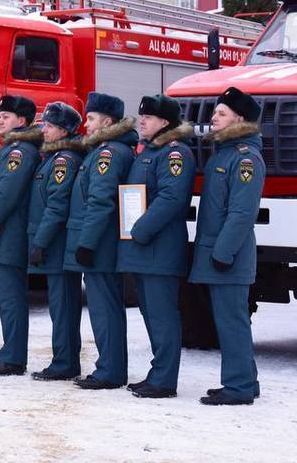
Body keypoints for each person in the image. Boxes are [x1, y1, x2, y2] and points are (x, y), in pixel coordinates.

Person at [119, 94, 195, 399]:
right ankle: (157, 373)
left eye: (148, 117)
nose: (142, 122)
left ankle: (164, 380)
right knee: (151, 313)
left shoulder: (175, 153)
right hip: (144, 248)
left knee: (162, 315)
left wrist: (139, 230)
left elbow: (172, 198)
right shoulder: (149, 151)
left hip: (158, 247)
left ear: (164, 122)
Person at [191, 87, 264, 406]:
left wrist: (223, 252)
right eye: (215, 112)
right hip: (219, 254)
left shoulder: (246, 158)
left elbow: (242, 213)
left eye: (221, 113)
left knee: (231, 321)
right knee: (231, 319)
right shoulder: (225, 153)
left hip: (229, 257)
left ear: (240, 118)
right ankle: (247, 379)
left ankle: (238, 387)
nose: (213, 118)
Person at [65, 91, 137, 390]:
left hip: (100, 244)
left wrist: (87, 243)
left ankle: (110, 371)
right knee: (104, 307)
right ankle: (110, 368)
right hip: (100, 241)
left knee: (104, 308)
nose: (86, 123)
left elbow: (101, 201)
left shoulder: (108, 153)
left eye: (91, 118)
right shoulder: (105, 150)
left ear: (107, 121)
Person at [0, 95, 43, 376]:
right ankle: (10, 353)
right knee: (8, 298)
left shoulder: (19, 152)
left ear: (22, 121)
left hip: (10, 235)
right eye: (0, 115)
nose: (0, 119)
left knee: (12, 298)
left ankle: (14, 357)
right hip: (5, 234)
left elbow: (6, 194)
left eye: (6, 116)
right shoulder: (12, 149)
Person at [27, 101, 86, 381]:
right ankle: (63, 358)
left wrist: (40, 242)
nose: (44, 130)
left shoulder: (64, 160)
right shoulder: (53, 156)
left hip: (57, 245)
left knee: (63, 307)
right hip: (53, 243)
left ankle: (65, 362)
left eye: (49, 126)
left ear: (64, 131)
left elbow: (56, 205)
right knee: (59, 306)